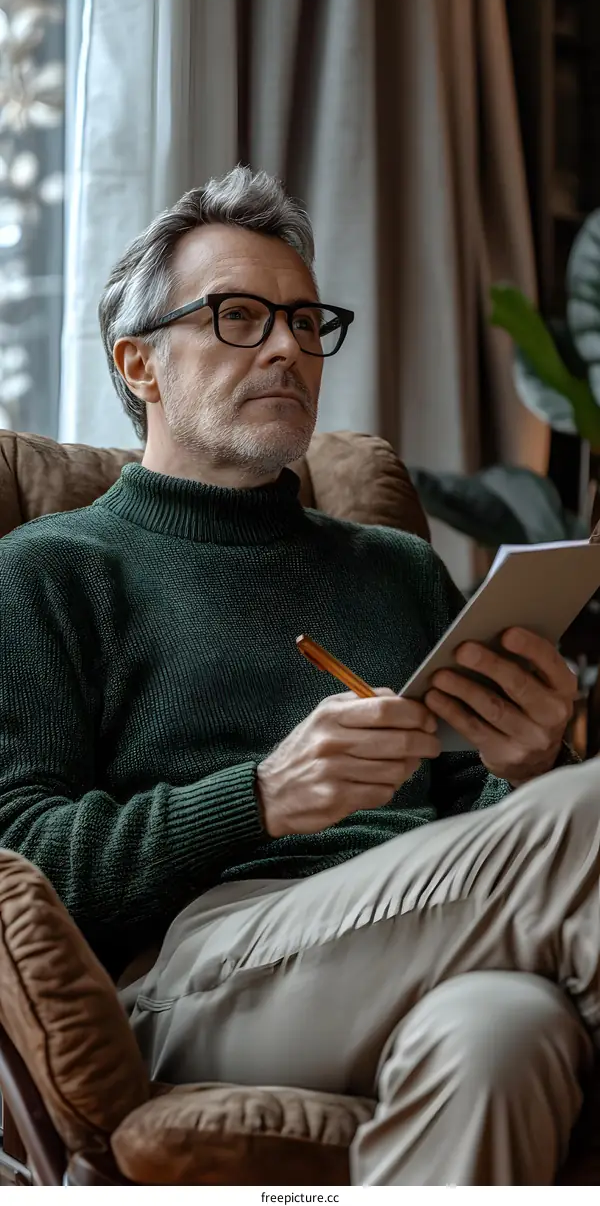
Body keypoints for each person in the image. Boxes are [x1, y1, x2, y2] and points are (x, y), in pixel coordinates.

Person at [0, 166, 598, 1187]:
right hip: (199, 977)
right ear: (138, 363)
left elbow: (477, 827)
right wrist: (259, 798)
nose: (287, 344)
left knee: (509, 1034)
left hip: (432, 942)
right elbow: (23, 856)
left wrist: (527, 761)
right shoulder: (50, 570)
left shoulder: (395, 566)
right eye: (239, 316)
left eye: (307, 320)